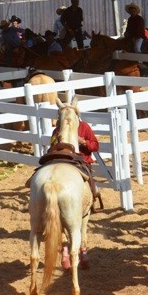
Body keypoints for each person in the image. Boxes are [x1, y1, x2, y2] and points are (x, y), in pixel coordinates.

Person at [50, 114, 100, 270]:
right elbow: (50, 147)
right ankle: (68, 249)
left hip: (81, 161)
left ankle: (92, 198)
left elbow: (95, 146)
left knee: (93, 185)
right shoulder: (57, 130)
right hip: (61, 160)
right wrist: (57, 142)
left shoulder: (84, 127)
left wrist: (83, 142)